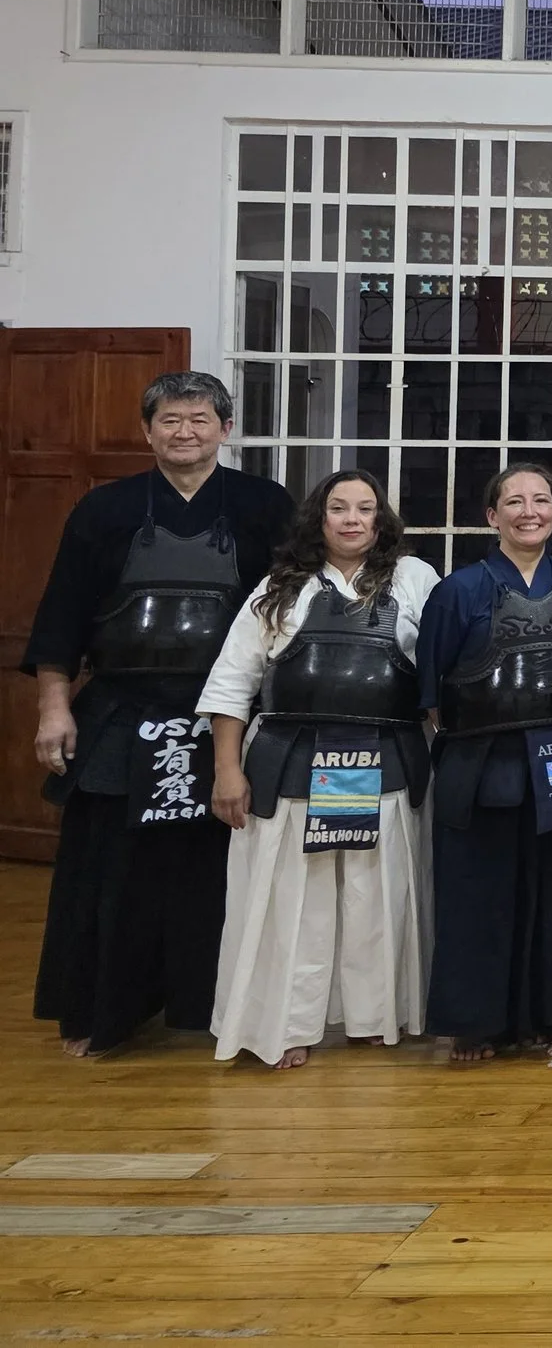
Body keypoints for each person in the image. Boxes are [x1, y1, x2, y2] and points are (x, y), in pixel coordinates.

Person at [27, 372, 294, 1059]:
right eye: (170, 420)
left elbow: (293, 611)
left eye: (199, 419)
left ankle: (223, 1008)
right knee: (111, 866)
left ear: (225, 429)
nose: (185, 432)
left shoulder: (265, 505)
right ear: (147, 431)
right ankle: (104, 1009)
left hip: (227, 715)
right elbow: (61, 615)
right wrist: (55, 706)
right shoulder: (104, 509)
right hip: (123, 710)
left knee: (217, 867)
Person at [202, 470, 439, 1068]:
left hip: (384, 758)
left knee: (374, 895)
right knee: (292, 900)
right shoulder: (279, 588)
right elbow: (232, 683)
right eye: (339, 508)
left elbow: (441, 674)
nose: (352, 519)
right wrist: (226, 770)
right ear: (319, 518)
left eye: (365, 508)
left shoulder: (415, 579)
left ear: (381, 519)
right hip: (291, 758)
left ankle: (373, 1016)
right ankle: (286, 1023)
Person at [417, 462, 552, 1062]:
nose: (529, 512)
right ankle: (478, 1022)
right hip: (482, 758)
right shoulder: (459, 591)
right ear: (492, 516)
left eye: (541, 500)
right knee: (480, 893)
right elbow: (432, 694)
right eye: (514, 502)